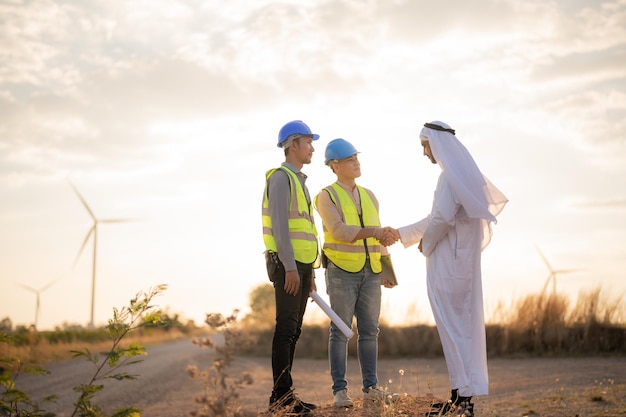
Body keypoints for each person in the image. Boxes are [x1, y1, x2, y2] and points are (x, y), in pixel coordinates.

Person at [397, 121, 508, 417]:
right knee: (461, 331)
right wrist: (402, 233)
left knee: (454, 331)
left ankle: (461, 401)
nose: (424, 153)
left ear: (437, 143)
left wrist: (425, 245)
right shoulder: (465, 178)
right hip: (462, 267)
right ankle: (461, 397)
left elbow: (441, 220)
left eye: (425, 145)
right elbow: (436, 217)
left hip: (448, 266)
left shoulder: (448, 179)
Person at [314, 138, 400, 408]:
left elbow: (377, 234)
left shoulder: (370, 195)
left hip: (372, 271)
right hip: (341, 272)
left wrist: (387, 269)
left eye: (357, 158)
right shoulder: (326, 196)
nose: (357, 163)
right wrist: (376, 232)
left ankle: (371, 389)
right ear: (335, 165)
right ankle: (340, 392)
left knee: (370, 331)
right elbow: (339, 231)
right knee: (340, 331)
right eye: (350, 160)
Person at [261, 120, 321, 415]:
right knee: (285, 329)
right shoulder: (281, 178)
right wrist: (291, 268)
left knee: (294, 330)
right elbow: (280, 227)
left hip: (302, 266)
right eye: (308, 142)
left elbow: (306, 230)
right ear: (293, 144)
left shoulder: (299, 181)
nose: (312, 148)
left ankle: (284, 395)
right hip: (289, 265)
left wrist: (310, 272)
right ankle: (281, 398)